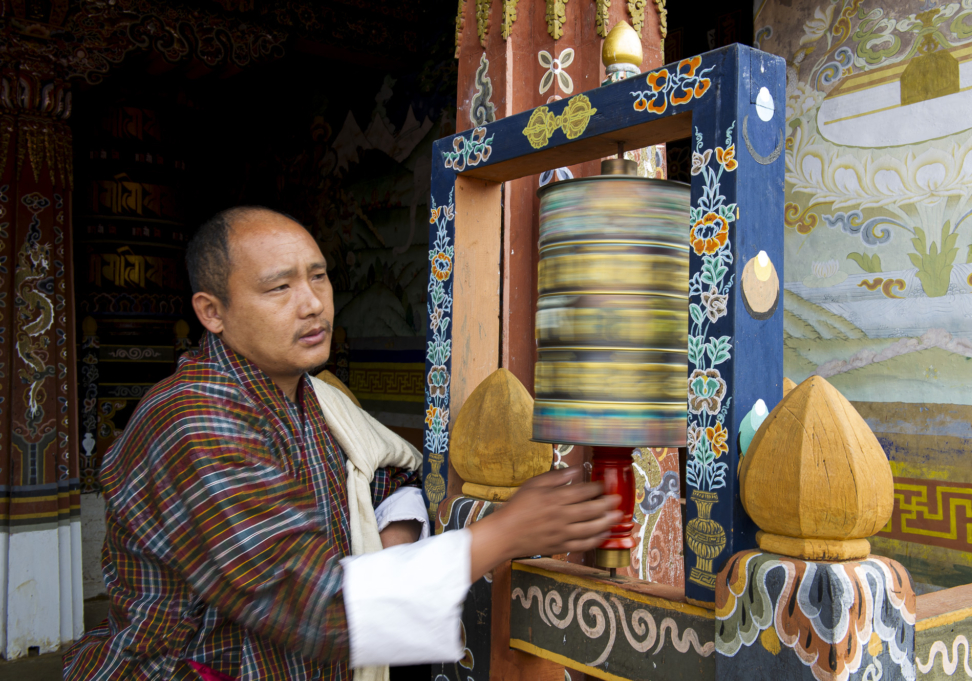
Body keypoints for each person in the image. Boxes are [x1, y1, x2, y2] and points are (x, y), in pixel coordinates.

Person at [63, 207, 621, 681]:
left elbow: (387, 471)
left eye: (319, 277)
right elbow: (312, 604)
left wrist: (392, 538)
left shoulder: (312, 398)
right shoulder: (192, 419)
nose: (311, 304)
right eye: (278, 287)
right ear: (212, 312)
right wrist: (502, 534)